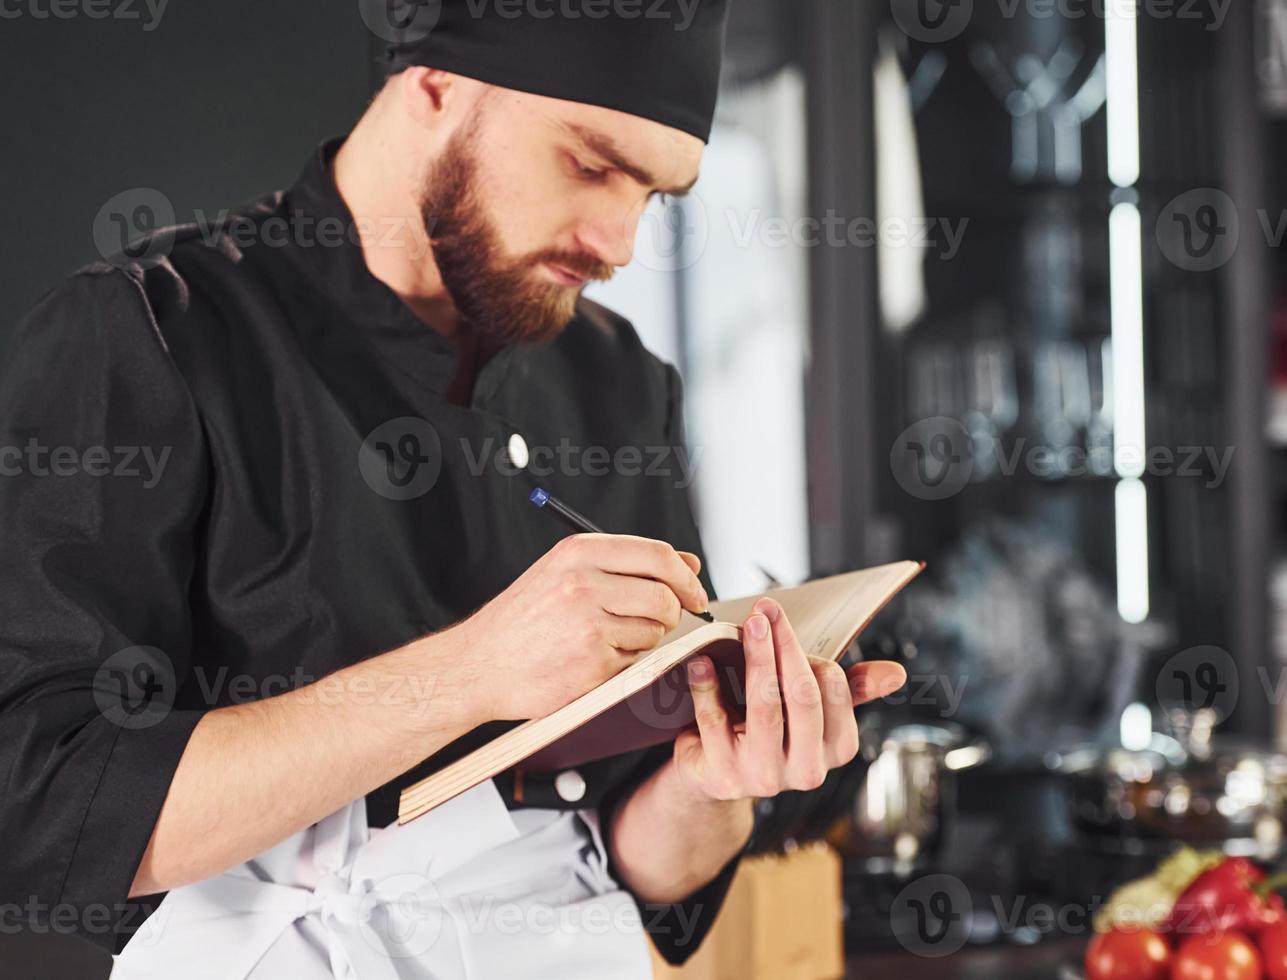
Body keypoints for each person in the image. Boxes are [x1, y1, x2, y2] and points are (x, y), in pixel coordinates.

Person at [0, 3, 908, 977]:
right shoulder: (145, 337)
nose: (618, 241)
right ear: (433, 85)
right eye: (591, 163)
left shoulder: (620, 383)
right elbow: (42, 813)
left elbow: (643, 863)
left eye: (654, 194)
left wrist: (722, 780)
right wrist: (470, 671)